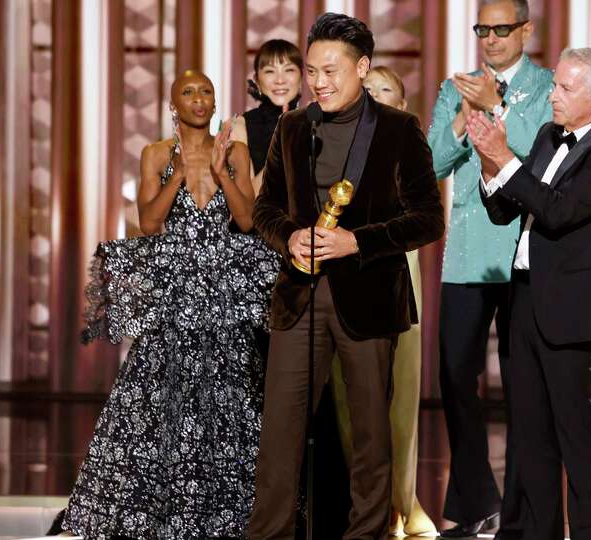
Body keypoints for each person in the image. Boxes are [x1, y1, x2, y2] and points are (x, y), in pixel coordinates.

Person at [246, 13, 445, 540]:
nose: (318, 82)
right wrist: (289, 237)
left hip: (369, 299)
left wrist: (357, 240)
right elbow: (264, 209)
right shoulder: (291, 128)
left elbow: (428, 217)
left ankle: (369, 534)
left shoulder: (400, 129)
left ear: (362, 68)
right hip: (298, 299)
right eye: (312, 70)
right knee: (280, 436)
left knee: (370, 438)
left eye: (330, 70)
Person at [62, 70, 280, 538]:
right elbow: (147, 222)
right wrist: (177, 174)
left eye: (205, 92)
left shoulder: (236, 152)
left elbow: (247, 220)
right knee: (160, 398)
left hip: (223, 291)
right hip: (176, 290)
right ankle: (156, 512)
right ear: (172, 105)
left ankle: (228, 514)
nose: (198, 99)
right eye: (188, 93)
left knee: (232, 398)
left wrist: (222, 173)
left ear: (216, 101)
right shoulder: (156, 153)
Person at [469, 47, 591, 540]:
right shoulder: (547, 136)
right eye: (556, 84)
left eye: (566, 88)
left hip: (570, 312)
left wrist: (504, 160)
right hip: (523, 301)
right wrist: (488, 165)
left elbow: (559, 211)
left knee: (575, 438)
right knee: (530, 436)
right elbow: (507, 211)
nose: (554, 95)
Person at [426, 0, 553, 535]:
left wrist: (499, 101)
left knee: (525, 383)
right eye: (485, 29)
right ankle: (479, 502)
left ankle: (521, 511)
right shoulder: (457, 85)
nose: (493, 39)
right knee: (455, 374)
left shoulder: (550, 86)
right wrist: (463, 112)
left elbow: (541, 154)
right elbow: (431, 160)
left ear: (526, 29)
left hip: (528, 249)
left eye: (503, 29)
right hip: (470, 252)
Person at [326, 65, 437, 537]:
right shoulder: (338, 142)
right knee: (349, 397)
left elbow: (424, 218)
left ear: (403, 104)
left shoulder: (408, 144)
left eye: (384, 91)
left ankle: (399, 504)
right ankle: (363, 506)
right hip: (342, 271)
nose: (373, 97)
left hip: (394, 268)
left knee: (399, 394)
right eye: (368, 90)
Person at [229, 39, 303, 195]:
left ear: (302, 78)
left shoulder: (314, 122)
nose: (280, 80)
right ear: (257, 80)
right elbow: (247, 201)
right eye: (270, 71)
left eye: (289, 70)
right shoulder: (240, 126)